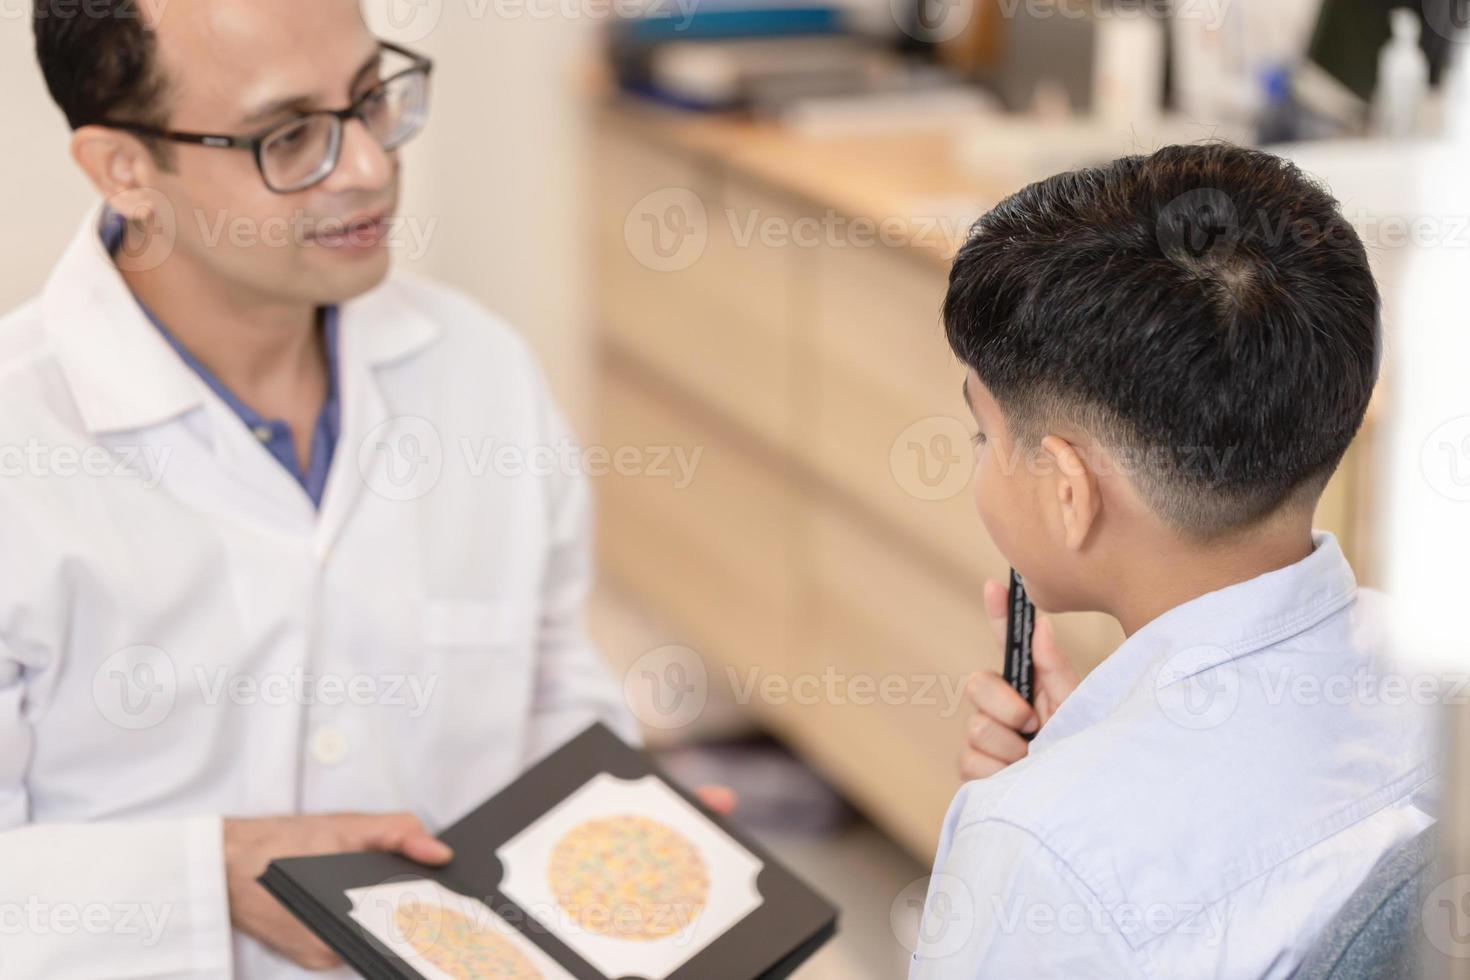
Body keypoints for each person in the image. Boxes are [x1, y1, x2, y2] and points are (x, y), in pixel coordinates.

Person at [2, 1, 727, 975]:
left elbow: (555, 686)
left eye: (370, 99)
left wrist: (623, 818)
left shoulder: (481, 371)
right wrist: (210, 873)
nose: (369, 167)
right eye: (289, 135)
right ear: (124, 169)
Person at [920, 144, 1440, 977]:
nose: (979, 458)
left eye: (984, 434)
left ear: (1069, 490)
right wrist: (1093, 756)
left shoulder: (1038, 854)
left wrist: (1054, 805)